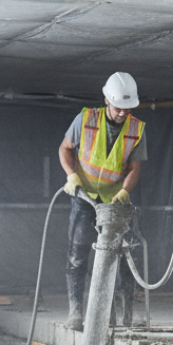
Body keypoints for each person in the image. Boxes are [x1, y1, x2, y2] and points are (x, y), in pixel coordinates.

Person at [58, 71, 146, 330]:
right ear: (107, 100)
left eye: (128, 108)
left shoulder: (136, 128)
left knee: (124, 254)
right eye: (119, 107)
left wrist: (125, 190)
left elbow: (134, 166)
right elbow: (65, 148)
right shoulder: (85, 119)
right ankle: (76, 312)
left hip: (115, 202)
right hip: (84, 196)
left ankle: (124, 315)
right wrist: (71, 175)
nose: (123, 113)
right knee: (77, 254)